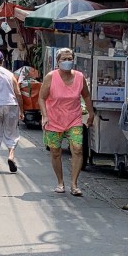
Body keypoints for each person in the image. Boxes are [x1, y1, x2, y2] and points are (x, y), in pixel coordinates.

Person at [39, 47, 94, 196]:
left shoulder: (79, 77)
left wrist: (91, 113)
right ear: (58, 62)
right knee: (55, 151)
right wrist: (44, 116)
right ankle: (60, 182)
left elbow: (87, 96)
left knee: (77, 148)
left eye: (70, 59)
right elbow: (42, 97)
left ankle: (74, 184)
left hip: (74, 119)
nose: (68, 62)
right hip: (54, 120)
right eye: (64, 59)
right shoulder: (51, 77)